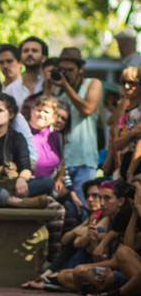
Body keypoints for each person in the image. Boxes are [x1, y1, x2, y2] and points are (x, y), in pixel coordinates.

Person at [55, 47, 103, 208]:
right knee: (64, 211)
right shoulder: (58, 92)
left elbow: (87, 108)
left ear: (81, 69)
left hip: (84, 159)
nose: (65, 74)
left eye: (70, 70)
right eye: (62, 70)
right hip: (62, 162)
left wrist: (65, 86)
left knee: (86, 208)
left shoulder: (93, 83)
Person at [4, 37, 47, 108]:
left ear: (44, 58)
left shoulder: (50, 84)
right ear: (20, 58)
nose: (29, 54)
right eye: (26, 51)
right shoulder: (11, 90)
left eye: (34, 51)